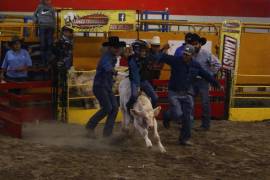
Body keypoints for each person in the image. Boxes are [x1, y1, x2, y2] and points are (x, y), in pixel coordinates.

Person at [156, 44, 220, 145]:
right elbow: (161, 57)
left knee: (188, 117)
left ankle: (184, 139)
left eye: (187, 54)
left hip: (187, 93)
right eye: (184, 54)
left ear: (192, 55)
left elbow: (205, 74)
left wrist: (215, 82)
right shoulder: (176, 60)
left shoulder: (195, 65)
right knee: (178, 114)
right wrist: (162, 49)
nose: (185, 56)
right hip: (174, 92)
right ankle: (168, 115)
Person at [86, 36, 126, 138]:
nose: (117, 49)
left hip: (106, 86)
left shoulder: (111, 56)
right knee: (108, 108)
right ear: (110, 48)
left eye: (118, 47)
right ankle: (90, 127)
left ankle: (107, 133)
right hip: (100, 86)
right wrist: (113, 71)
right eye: (115, 47)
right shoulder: (106, 57)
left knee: (114, 108)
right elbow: (106, 66)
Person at [191, 34, 221, 131]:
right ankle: (189, 123)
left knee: (205, 103)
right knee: (189, 101)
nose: (194, 46)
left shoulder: (206, 53)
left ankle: (205, 125)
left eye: (196, 44)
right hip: (193, 80)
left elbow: (218, 64)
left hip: (203, 80)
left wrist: (210, 75)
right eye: (193, 44)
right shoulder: (190, 54)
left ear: (200, 44)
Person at [125, 40, 158, 113]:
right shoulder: (132, 60)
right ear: (137, 51)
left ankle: (151, 113)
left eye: (145, 51)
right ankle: (128, 107)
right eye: (142, 51)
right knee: (134, 96)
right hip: (135, 81)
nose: (145, 52)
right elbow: (135, 74)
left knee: (155, 97)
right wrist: (138, 87)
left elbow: (155, 56)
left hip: (144, 81)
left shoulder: (146, 57)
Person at [33, 0, 56, 66]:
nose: (49, 1)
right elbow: (34, 15)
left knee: (49, 44)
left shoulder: (52, 8)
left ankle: (48, 61)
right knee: (43, 44)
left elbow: (54, 18)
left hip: (50, 27)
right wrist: (36, 20)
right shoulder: (40, 6)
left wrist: (54, 27)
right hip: (42, 26)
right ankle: (43, 61)